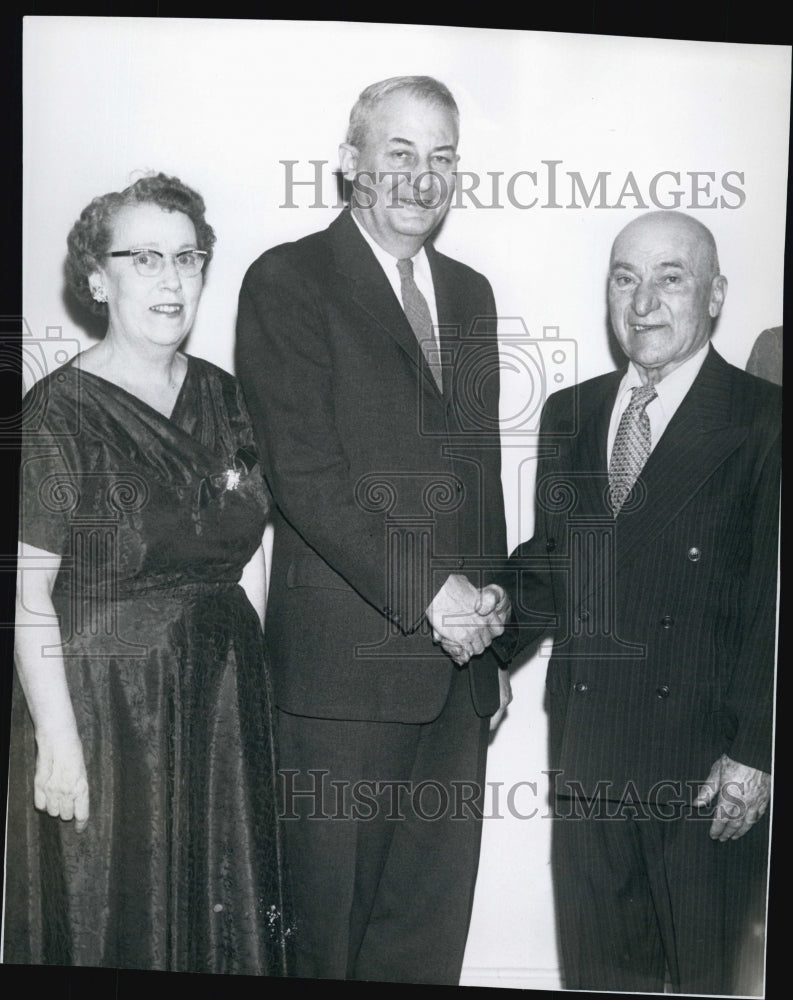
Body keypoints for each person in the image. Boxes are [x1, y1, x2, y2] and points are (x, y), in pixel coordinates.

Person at [235, 76, 511, 984]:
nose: (420, 177)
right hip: (338, 691)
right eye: (398, 152)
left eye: (440, 158)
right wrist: (434, 594)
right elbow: (308, 476)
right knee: (324, 948)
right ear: (350, 162)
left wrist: (493, 649)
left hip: (455, 689)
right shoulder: (286, 279)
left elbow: (474, 479)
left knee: (424, 949)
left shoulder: (469, 295)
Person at [474, 210, 779, 995]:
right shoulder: (570, 414)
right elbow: (550, 566)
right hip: (589, 761)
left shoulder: (764, 420)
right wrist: (479, 633)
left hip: (706, 772)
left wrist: (757, 750)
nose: (642, 301)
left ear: (713, 296)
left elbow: (771, 603)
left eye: (669, 278)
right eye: (624, 277)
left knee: (713, 983)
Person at [5, 173, 292, 975]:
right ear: (97, 279)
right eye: (145, 260)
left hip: (222, 704)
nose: (172, 279)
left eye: (187, 258)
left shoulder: (228, 398)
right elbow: (25, 595)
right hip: (104, 711)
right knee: (114, 918)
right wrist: (59, 744)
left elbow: (248, 555)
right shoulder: (57, 412)